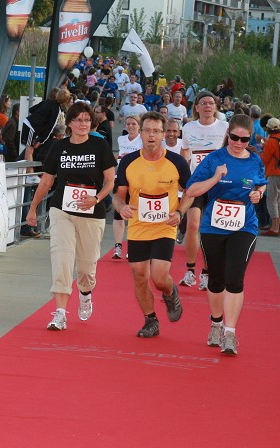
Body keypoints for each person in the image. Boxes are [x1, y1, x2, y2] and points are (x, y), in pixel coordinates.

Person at [25, 103, 116, 331]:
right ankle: (60, 313)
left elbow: (110, 180)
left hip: (91, 214)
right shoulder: (59, 147)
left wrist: (96, 199)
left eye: (86, 120)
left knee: (86, 268)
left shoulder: (100, 146)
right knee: (62, 259)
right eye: (78, 120)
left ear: (91, 123)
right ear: (70, 123)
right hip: (62, 211)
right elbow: (46, 181)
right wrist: (33, 208)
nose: (82, 124)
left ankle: (85, 293)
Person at [185, 114, 267, 356]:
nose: (239, 143)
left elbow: (261, 183)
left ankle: (230, 333)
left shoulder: (255, 160)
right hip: (214, 225)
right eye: (234, 137)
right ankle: (216, 323)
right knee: (216, 279)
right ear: (227, 134)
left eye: (244, 139)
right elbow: (191, 189)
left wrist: (258, 193)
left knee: (235, 278)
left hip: (244, 225)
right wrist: (215, 177)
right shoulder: (215, 159)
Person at [113, 112, 192, 336]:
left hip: (164, 225)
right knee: (139, 275)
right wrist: (121, 207)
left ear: (163, 134)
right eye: (147, 130)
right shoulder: (129, 161)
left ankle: (170, 292)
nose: (151, 136)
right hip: (138, 226)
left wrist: (180, 211)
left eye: (156, 131)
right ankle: (150, 320)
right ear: (140, 132)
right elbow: (118, 196)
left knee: (159, 278)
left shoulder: (176, 162)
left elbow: (190, 192)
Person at [178, 91, 228, 289]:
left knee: (210, 229)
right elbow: (184, 152)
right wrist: (183, 175)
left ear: (216, 107)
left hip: (218, 184)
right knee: (192, 225)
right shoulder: (189, 127)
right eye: (203, 103)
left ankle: (206, 273)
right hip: (196, 183)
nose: (207, 106)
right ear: (196, 107)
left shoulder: (224, 127)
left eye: (211, 103)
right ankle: (190, 270)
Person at [113, 115, 144, 259]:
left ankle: (132, 245)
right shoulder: (121, 139)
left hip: (137, 179)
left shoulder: (142, 140)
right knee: (118, 213)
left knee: (134, 214)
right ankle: (117, 246)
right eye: (128, 124)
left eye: (134, 124)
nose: (131, 126)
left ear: (139, 126)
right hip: (121, 178)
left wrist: (130, 157)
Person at [260, 117, 280, 236]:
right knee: (279, 200)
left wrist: (258, 152)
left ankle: (274, 228)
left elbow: (264, 159)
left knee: (271, 200)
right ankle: (277, 226)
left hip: (274, 173)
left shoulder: (271, 141)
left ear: (268, 128)